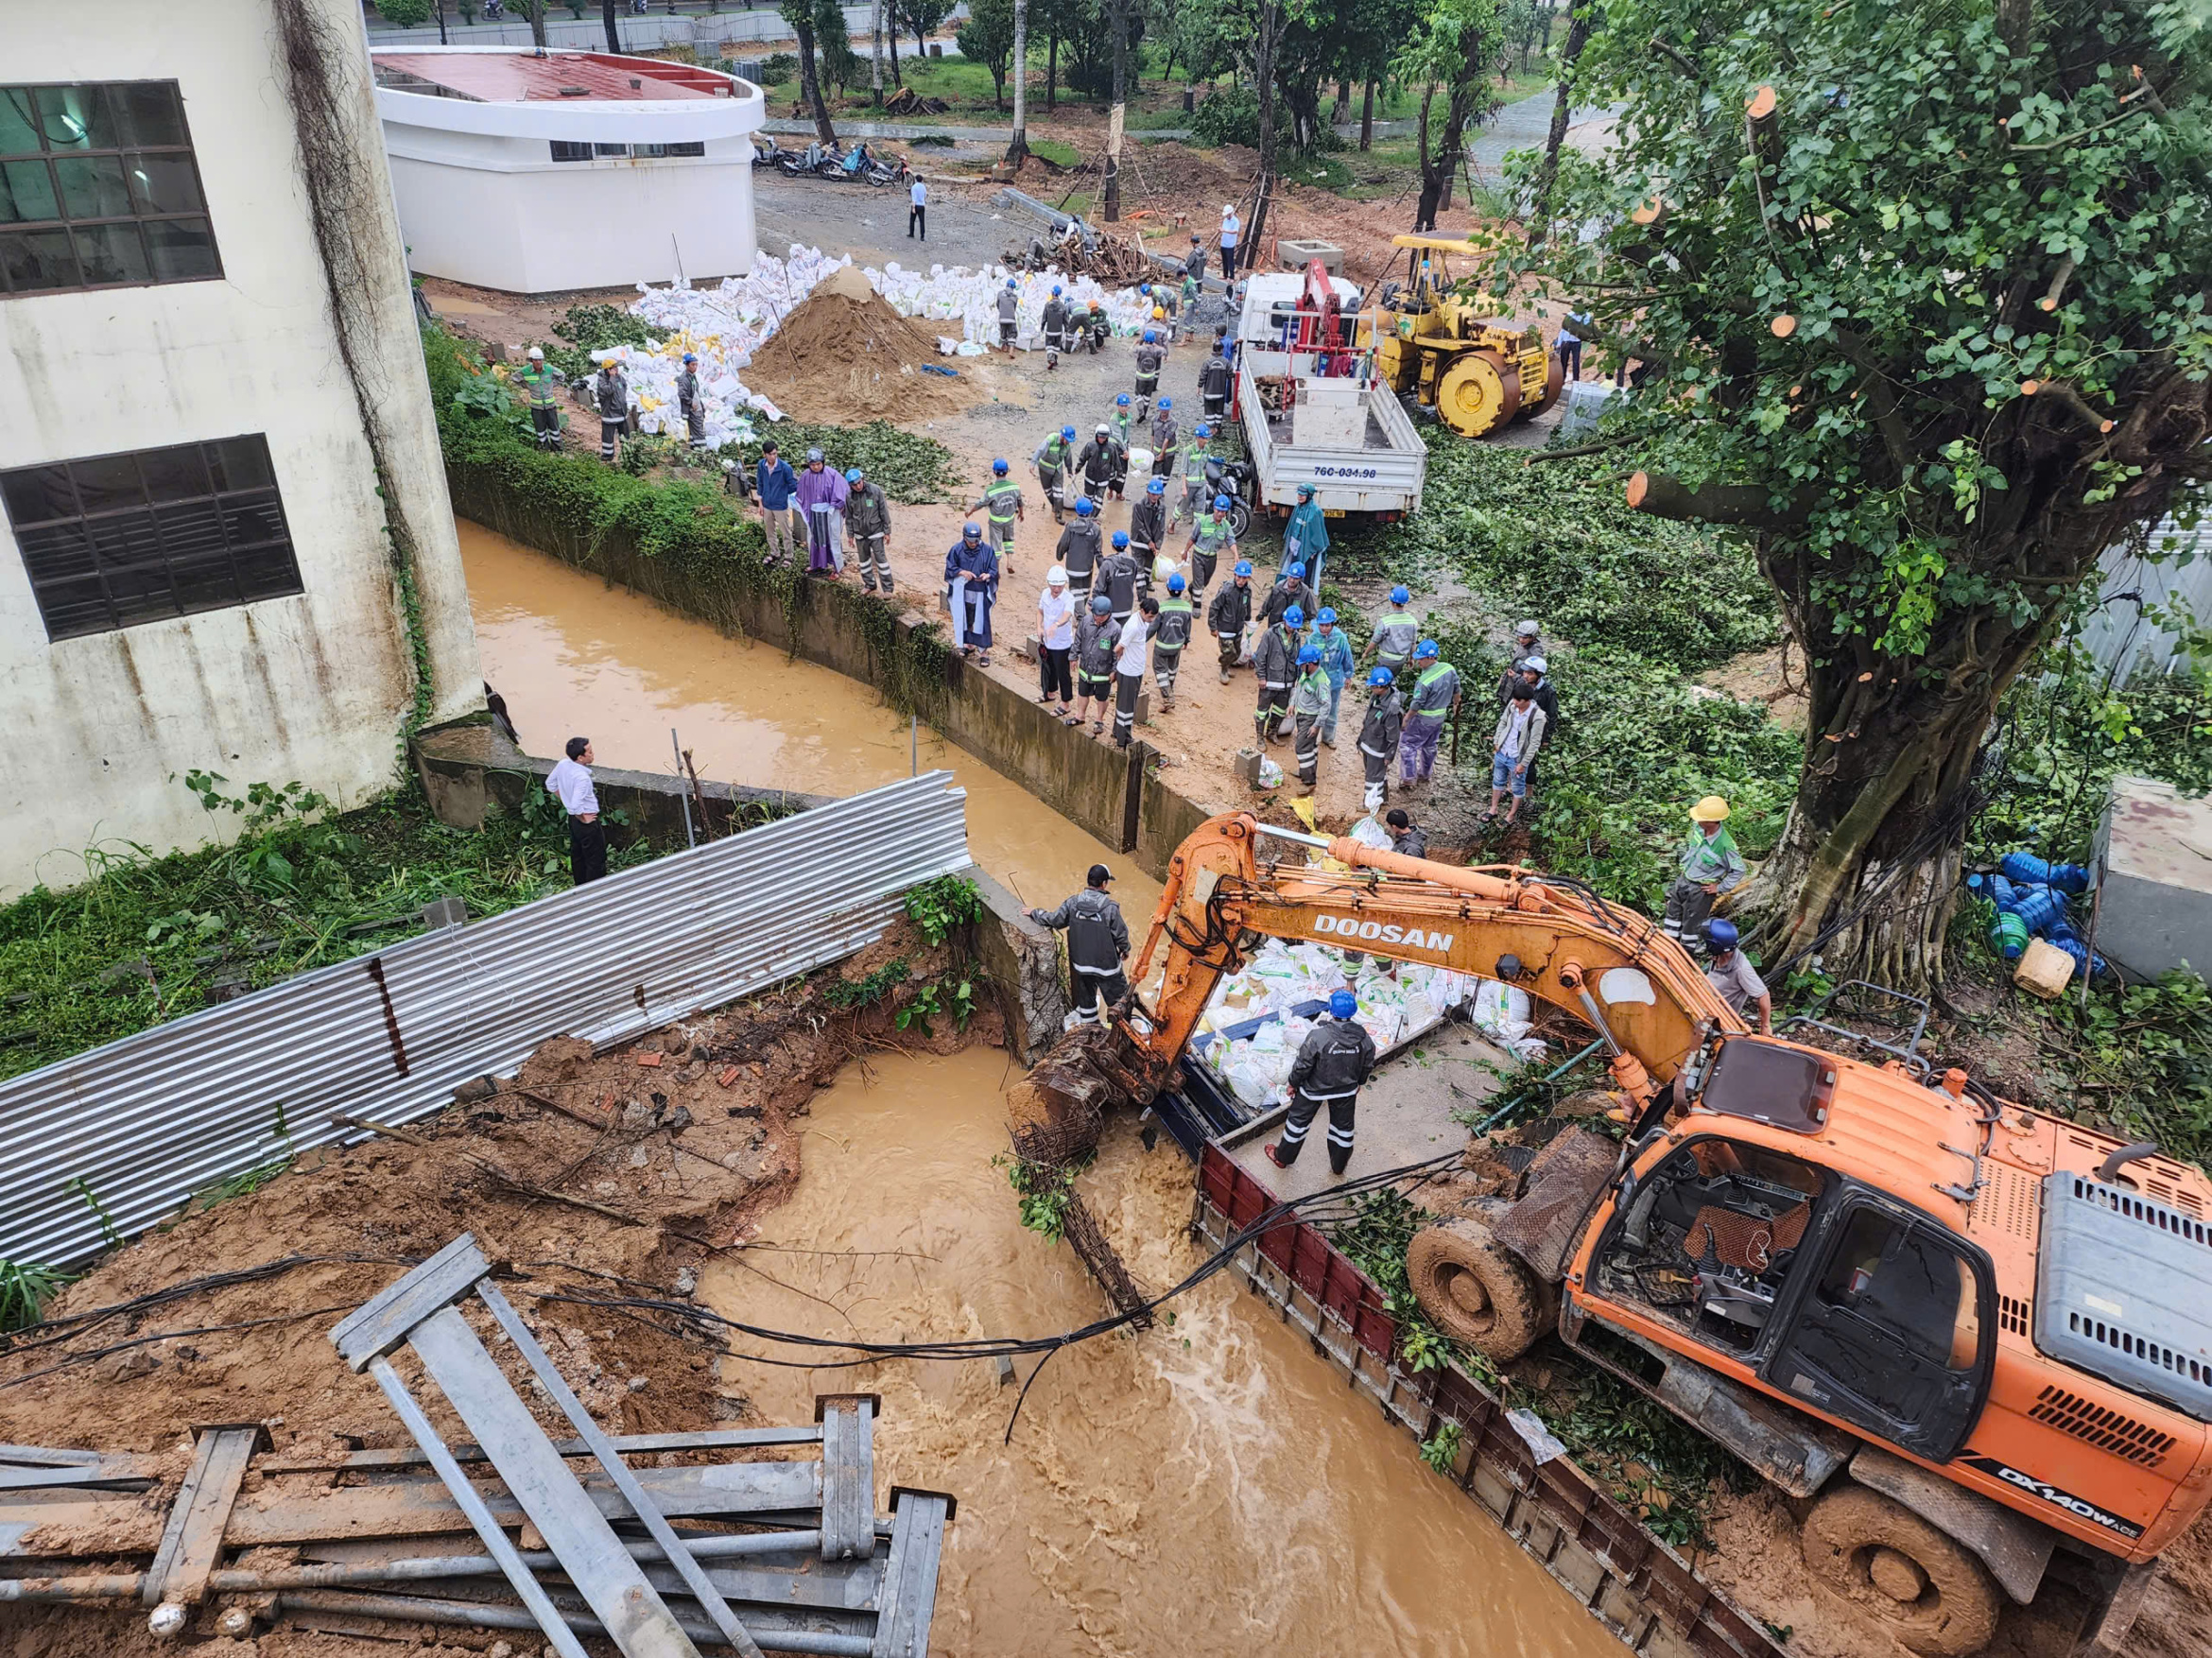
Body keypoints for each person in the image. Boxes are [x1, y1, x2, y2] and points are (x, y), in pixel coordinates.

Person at [1265, 990, 1376, 1175]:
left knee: (1297, 1124)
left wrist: (1293, 1083)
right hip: (1346, 1091)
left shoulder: (1318, 1037)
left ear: (1331, 1011)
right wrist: (1359, 1082)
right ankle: (1339, 1166)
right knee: (1343, 1129)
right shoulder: (1363, 1038)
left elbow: (1303, 1065)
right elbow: (1368, 1062)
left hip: (1313, 1090)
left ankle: (1282, 1157)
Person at [1029, 865, 1131, 1026]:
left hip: (1082, 966)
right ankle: (1122, 1033)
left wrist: (1035, 913)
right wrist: (1125, 950)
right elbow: (1121, 935)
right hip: (1108, 969)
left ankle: (1091, 1030)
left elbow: (1055, 920)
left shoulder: (1072, 903)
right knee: (1121, 1005)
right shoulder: (1110, 908)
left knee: (1087, 1006)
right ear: (1104, 884)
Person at [1664, 798, 1748, 952]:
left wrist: (1720, 887)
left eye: (1701, 818)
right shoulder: (1698, 828)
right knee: (1672, 914)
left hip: (1701, 889)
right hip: (1684, 879)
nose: (1697, 820)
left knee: (1692, 924)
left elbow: (1739, 870)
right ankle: (1666, 945)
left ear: (1712, 822)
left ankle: (1685, 953)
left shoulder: (1725, 844)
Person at [1398, 640, 1460, 790]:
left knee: (1408, 745)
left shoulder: (1424, 681)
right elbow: (1457, 687)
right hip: (1439, 717)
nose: (1418, 661)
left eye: (1421, 659)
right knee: (1430, 745)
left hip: (1423, 719)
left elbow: (1417, 703)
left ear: (1431, 657)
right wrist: (1456, 704)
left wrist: (1406, 719)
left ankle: (1408, 779)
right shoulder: (1449, 669)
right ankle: (1425, 773)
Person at [1484, 680, 1547, 825]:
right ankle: (1493, 809)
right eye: (1514, 699)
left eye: (1518, 700)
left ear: (1527, 701)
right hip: (1503, 751)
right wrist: (1497, 741)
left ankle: (1511, 816)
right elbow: (1503, 722)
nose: (1514, 702)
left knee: (1518, 787)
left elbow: (1534, 743)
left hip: (1517, 757)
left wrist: (1524, 763)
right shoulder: (1512, 706)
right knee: (1497, 780)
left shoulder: (1538, 716)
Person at [546, 736, 606, 886]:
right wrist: (583, 818)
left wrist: (566, 799)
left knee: (578, 855)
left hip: (573, 820)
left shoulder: (563, 764)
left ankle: (580, 887)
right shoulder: (582, 778)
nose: (593, 754)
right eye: (590, 752)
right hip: (586, 821)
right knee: (595, 860)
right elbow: (575, 806)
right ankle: (596, 891)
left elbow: (550, 784)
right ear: (580, 758)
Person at [1702, 919, 1772, 1032]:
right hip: (1703, 1001)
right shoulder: (1719, 956)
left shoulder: (1741, 968)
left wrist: (1765, 1026)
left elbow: (1763, 994)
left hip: (1716, 1019)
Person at [944, 522, 999, 664]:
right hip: (964, 592)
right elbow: (950, 567)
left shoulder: (987, 551)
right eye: (970, 541)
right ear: (964, 537)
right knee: (966, 619)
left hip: (980, 592)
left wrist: (988, 575)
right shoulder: (956, 550)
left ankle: (984, 653)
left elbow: (994, 569)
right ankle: (968, 645)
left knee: (982, 622)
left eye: (976, 541)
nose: (973, 544)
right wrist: (962, 572)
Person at [1253, 603, 1302, 746]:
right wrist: (1261, 677)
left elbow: (1297, 659)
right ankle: (1260, 737)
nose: (1292, 629)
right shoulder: (1270, 634)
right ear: (1284, 621)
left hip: (1287, 683)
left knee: (1280, 711)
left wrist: (1297, 679)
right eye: (1290, 625)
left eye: (1295, 627)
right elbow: (1260, 657)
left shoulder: (1297, 638)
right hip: (1269, 682)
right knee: (1262, 711)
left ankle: (1272, 733)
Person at [797, 447, 849, 576]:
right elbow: (801, 495)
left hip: (830, 512)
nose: (815, 467)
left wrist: (835, 505)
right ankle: (816, 564)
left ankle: (837, 567)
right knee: (815, 538)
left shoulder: (833, 474)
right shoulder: (805, 476)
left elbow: (843, 491)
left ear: (823, 462)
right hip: (813, 513)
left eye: (818, 464)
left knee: (833, 538)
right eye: (812, 465)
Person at [1357, 667, 1403, 812]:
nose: (1371, 688)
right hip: (1369, 742)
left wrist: (1389, 755)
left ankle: (1369, 804)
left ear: (1381, 687)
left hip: (1378, 748)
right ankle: (1382, 798)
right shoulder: (1377, 697)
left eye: (1373, 686)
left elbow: (1393, 735)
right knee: (1377, 774)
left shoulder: (1391, 708)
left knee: (1373, 777)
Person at [969, 458, 1025, 576]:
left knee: (996, 545)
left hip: (995, 523)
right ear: (1007, 471)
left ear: (994, 472)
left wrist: (970, 511)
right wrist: (1021, 513)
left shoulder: (991, 491)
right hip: (1009, 520)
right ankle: (1009, 562)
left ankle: (996, 570)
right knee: (1009, 540)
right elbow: (1020, 502)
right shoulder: (1015, 487)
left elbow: (981, 503)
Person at [1113, 596, 1155, 748]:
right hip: (1129, 672)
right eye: (1150, 616)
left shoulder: (1142, 622)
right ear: (1142, 611)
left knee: (1126, 705)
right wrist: (1115, 666)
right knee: (1126, 708)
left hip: (1135, 669)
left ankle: (1118, 731)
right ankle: (1123, 739)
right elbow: (1118, 648)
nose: (1151, 620)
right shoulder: (1134, 626)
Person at [1074, 594, 1118, 737]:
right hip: (1086, 668)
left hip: (1103, 671)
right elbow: (1078, 639)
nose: (1098, 618)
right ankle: (1080, 715)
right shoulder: (1086, 621)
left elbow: (1117, 653)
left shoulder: (1115, 629)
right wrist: (1073, 656)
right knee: (1082, 692)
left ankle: (1099, 720)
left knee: (1102, 697)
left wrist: (1114, 670)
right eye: (1096, 615)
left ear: (1109, 614)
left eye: (1102, 616)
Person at [845, 466, 894, 595]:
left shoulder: (875, 491)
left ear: (863, 479)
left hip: (875, 531)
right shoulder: (849, 496)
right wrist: (850, 535)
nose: (858, 486)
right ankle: (869, 584)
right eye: (854, 485)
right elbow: (849, 517)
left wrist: (887, 531)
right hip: (860, 534)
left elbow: (883, 511)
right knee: (864, 562)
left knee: (881, 561)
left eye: (859, 483)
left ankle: (888, 589)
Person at [1313, 608, 1356, 748]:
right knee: (1314, 708)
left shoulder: (1340, 638)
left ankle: (1328, 738)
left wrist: (1348, 676)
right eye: (1321, 625)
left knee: (1332, 710)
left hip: (1334, 680)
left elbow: (1347, 657)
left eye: (1327, 625)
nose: (1324, 628)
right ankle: (1311, 737)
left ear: (1333, 624)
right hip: (1317, 680)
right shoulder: (1313, 638)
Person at [1038, 565, 1077, 718]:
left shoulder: (1068, 598)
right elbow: (1040, 611)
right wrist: (1039, 627)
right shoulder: (1045, 594)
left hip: (1062, 643)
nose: (1056, 589)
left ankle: (1066, 703)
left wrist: (1056, 624)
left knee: (1063, 673)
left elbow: (1067, 615)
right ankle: (1050, 692)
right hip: (1048, 640)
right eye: (1053, 586)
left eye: (1059, 586)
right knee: (1048, 668)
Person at [1152, 571, 1194, 711]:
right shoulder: (1187, 607)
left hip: (1162, 645)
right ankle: (1170, 687)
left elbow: (1154, 627)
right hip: (1177, 645)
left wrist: (1142, 638)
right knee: (1172, 668)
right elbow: (1187, 626)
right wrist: (1186, 640)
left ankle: (1168, 698)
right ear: (1182, 590)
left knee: (1160, 670)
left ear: (1168, 588)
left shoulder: (1163, 607)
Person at [754, 440, 801, 564]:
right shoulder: (761, 465)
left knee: (785, 531)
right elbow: (760, 483)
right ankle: (774, 553)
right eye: (770, 454)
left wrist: (782, 493)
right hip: (767, 504)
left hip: (780, 505)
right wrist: (760, 504)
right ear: (764, 454)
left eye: (775, 453)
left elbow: (793, 485)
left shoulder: (785, 468)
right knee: (770, 530)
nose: (773, 457)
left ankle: (789, 556)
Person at [1289, 642, 1329, 786]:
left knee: (1302, 747)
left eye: (1302, 664)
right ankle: (1305, 770)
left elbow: (1326, 705)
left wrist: (1316, 725)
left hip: (1310, 718)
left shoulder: (1320, 681)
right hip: (1301, 714)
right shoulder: (1306, 673)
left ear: (1310, 664)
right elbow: (1298, 688)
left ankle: (1308, 781)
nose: (1300, 667)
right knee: (1309, 746)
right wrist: (1292, 704)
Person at [1185, 492, 1237, 596]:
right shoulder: (1203, 521)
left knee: (1205, 582)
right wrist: (1185, 551)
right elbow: (1192, 538)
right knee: (1199, 584)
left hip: (1212, 559)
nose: (1220, 514)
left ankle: (1193, 587)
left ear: (1226, 512)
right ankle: (1196, 604)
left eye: (1223, 511)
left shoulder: (1226, 526)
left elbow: (1230, 540)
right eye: (1218, 510)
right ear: (1214, 508)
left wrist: (1236, 554)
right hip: (1198, 556)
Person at [1210, 560, 1253, 682]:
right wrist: (1213, 627)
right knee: (1230, 652)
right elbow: (1214, 607)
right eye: (1239, 577)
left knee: (1237, 652)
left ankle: (1225, 663)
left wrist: (1248, 619)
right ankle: (1223, 670)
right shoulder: (1226, 590)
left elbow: (1247, 605)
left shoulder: (1247, 590)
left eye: (1244, 578)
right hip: (1225, 627)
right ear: (1234, 575)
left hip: (1238, 627)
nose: (1241, 580)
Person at [1283, 482, 1330, 592]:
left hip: (1308, 550)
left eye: (1302, 495)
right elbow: (1292, 526)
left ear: (1309, 496)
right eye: (1298, 494)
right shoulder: (1298, 507)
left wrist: (1313, 551)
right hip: (1295, 546)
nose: (1299, 497)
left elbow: (1318, 533)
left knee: (1306, 573)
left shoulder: (1315, 512)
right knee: (1293, 569)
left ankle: (1304, 592)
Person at [515, 346, 563, 451]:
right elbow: (514, 379)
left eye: (540, 360)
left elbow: (562, 376)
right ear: (531, 360)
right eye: (536, 360)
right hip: (536, 407)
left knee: (554, 429)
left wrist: (551, 385)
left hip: (550, 406)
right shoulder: (525, 371)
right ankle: (544, 449)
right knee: (540, 430)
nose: (538, 362)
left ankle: (557, 449)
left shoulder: (549, 369)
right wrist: (526, 386)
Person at [1365, 586, 1418, 680]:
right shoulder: (1413, 622)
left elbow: (1375, 641)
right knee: (1392, 679)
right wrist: (1412, 658)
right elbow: (1413, 643)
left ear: (1392, 602)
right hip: (1400, 661)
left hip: (1385, 661)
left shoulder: (1385, 622)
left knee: (1380, 680)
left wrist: (1366, 653)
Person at [1056, 495, 1103, 603]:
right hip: (1087, 569)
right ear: (1090, 511)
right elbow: (1098, 552)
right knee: (1085, 593)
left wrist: (1059, 556)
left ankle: (1077, 611)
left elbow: (1063, 544)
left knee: (1074, 594)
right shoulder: (1095, 529)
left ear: (1077, 511)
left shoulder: (1070, 527)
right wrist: (1103, 569)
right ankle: (1080, 610)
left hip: (1071, 569)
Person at [1129, 476, 1169, 592]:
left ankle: (1147, 583)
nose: (1154, 497)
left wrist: (1157, 545)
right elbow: (1138, 526)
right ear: (1147, 492)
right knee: (1139, 568)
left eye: (1157, 494)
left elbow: (1161, 528)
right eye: (1152, 494)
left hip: (1153, 543)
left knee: (1149, 566)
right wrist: (1149, 541)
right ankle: (1141, 594)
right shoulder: (1138, 505)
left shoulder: (1162, 507)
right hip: (1138, 542)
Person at [1097, 529, 1141, 628]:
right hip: (1126, 608)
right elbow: (1133, 580)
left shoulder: (1107, 564)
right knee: (1122, 635)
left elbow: (1100, 587)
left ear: (1113, 545)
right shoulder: (1133, 563)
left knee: (1107, 635)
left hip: (1109, 610)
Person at [1175, 423, 1215, 530]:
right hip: (1189, 486)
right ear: (1198, 438)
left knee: (1200, 512)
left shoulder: (1206, 449)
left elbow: (1205, 467)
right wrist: (1184, 487)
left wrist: (1205, 482)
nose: (1206, 441)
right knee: (1182, 508)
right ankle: (1172, 522)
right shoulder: (1189, 450)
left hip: (1201, 485)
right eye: (1204, 438)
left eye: (1207, 438)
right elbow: (1183, 470)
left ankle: (1196, 532)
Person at [592, 355, 629, 464]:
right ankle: (608, 456)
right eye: (614, 367)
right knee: (608, 437)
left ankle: (627, 454)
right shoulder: (602, 380)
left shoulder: (619, 378)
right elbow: (608, 390)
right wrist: (612, 378)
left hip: (621, 413)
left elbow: (624, 387)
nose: (616, 369)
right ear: (608, 369)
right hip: (610, 414)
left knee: (625, 436)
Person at [1035, 423, 1075, 523]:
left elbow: (1068, 458)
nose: (1067, 443)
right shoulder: (1051, 439)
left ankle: (1058, 515)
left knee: (1058, 492)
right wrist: (1033, 463)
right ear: (1062, 436)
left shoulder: (1067, 446)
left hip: (1058, 471)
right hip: (1045, 470)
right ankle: (1054, 505)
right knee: (1048, 491)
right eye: (1067, 440)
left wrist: (1069, 470)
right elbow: (1040, 450)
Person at [1076, 423, 1121, 512]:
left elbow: (1116, 462)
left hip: (1103, 479)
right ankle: (1086, 514)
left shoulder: (1111, 448)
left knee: (1098, 501)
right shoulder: (1090, 446)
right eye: (1100, 437)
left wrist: (1119, 472)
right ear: (1096, 435)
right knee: (1088, 498)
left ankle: (1094, 516)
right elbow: (1083, 457)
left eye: (1104, 438)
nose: (1102, 439)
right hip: (1090, 478)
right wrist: (1078, 468)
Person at [675, 351, 708, 450]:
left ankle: (695, 449)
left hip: (697, 407)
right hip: (692, 409)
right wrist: (691, 403)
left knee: (695, 430)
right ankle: (702, 450)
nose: (695, 367)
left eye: (696, 364)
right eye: (693, 365)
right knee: (698, 430)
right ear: (687, 365)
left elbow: (695, 393)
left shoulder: (692, 377)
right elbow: (682, 394)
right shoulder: (684, 379)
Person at [1262, 561, 1309, 628]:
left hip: (1292, 625)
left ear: (1301, 579)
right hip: (1275, 623)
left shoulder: (1305, 591)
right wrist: (1262, 614)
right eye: (1290, 577)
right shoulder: (1278, 587)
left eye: (1295, 578)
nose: (1292, 580)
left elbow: (1311, 611)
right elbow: (1268, 603)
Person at [1133, 330, 1165, 419]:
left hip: (1140, 377)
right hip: (1151, 378)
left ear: (1144, 339)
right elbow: (1164, 351)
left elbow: (1130, 352)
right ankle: (1145, 413)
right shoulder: (1156, 350)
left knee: (1138, 395)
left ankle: (1141, 412)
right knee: (1147, 397)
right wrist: (1156, 345)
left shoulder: (1140, 349)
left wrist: (1134, 343)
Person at [1201, 342, 1232, 421]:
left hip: (1209, 393)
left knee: (1209, 413)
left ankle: (1210, 426)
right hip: (1220, 394)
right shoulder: (1226, 362)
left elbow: (1202, 376)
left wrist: (1199, 386)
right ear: (1222, 350)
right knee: (1219, 413)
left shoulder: (1207, 362)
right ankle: (1217, 426)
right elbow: (1231, 375)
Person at [1557, 308, 1590, 382]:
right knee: (1563, 361)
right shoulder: (1570, 315)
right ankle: (1562, 379)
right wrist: (1559, 343)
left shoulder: (1585, 316)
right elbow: (1563, 330)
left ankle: (1576, 380)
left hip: (1576, 342)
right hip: (1566, 341)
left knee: (1576, 362)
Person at [1150, 397, 1179, 480]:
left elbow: (1167, 440)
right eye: (1162, 409)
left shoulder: (1173, 422)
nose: (1164, 412)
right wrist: (1151, 450)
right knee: (1155, 477)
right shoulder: (1154, 420)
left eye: (1166, 410)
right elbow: (1152, 435)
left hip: (1169, 454)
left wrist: (1162, 454)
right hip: (1156, 452)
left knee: (1165, 476)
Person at [1041, 285, 1068, 371]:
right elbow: (1065, 320)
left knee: (1049, 345)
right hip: (1058, 330)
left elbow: (1044, 318)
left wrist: (1042, 327)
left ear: (1052, 293)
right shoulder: (1063, 306)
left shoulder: (1047, 305)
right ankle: (1055, 360)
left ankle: (1050, 359)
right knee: (1057, 345)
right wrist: (1067, 329)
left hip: (1050, 330)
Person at [996, 279, 1020, 352]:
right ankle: (1011, 351)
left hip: (1002, 318)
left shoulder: (1000, 294)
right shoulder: (1015, 296)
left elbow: (997, 304)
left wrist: (1002, 311)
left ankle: (1004, 347)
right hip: (1011, 318)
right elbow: (1014, 308)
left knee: (1003, 332)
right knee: (1012, 333)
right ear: (1013, 287)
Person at [1218, 202, 1241, 279]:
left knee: (1230, 261)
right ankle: (1225, 275)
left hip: (1230, 244)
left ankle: (1232, 277)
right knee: (1224, 260)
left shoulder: (1235, 221)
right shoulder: (1225, 220)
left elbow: (1235, 231)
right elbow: (1223, 229)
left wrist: (1225, 230)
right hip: (1223, 243)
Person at [907, 174, 927, 239]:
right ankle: (922, 236)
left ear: (916, 180)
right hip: (922, 205)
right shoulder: (923, 187)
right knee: (922, 221)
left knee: (912, 220)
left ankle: (911, 233)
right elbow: (925, 196)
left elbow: (914, 198)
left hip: (915, 205)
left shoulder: (914, 187)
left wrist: (913, 208)